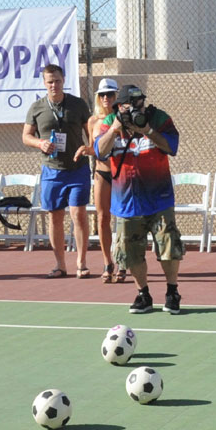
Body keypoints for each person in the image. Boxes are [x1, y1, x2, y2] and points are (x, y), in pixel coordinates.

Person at [94, 84, 184, 314]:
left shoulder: (158, 118)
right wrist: (114, 129)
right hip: (127, 201)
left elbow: (172, 146)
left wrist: (148, 131)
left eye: (139, 103)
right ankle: (143, 294)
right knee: (130, 250)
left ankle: (172, 292)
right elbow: (100, 152)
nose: (135, 108)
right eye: (130, 105)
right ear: (119, 106)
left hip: (158, 198)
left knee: (168, 245)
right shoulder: (109, 122)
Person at [22, 64, 94, 278]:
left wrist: (90, 148)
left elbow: (90, 131)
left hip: (77, 169)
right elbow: (26, 136)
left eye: (58, 81)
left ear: (64, 80)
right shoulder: (37, 108)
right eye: (50, 81)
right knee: (55, 216)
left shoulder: (78, 104)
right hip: (52, 171)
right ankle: (60, 265)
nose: (54, 85)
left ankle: (81, 263)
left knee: (78, 214)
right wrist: (40, 144)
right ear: (44, 84)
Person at [91, 77, 126, 283]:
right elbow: (93, 148)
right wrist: (83, 150)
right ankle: (107, 263)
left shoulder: (122, 118)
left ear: (116, 96)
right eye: (102, 94)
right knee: (103, 218)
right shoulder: (93, 121)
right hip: (101, 173)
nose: (106, 98)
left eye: (110, 94)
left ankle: (122, 263)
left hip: (120, 173)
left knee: (123, 220)